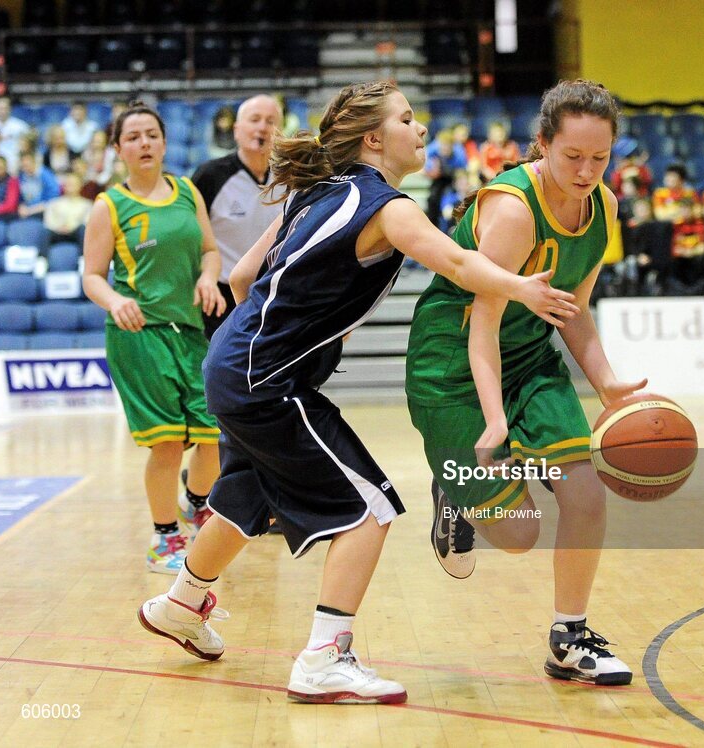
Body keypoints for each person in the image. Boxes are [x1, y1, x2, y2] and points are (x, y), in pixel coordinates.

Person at [136, 81, 578, 704]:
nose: (421, 128)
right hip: (266, 379)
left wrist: (263, 341)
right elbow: (458, 265)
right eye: (408, 119)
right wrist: (522, 288)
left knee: (247, 496)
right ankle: (324, 659)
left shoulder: (312, 193)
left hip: (234, 364)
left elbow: (241, 278)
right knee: (370, 510)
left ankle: (182, 602)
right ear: (375, 138)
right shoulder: (388, 207)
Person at [405, 79, 643, 686]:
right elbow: (482, 324)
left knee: (586, 491)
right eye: (573, 157)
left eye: (600, 157)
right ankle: (453, 488)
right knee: (518, 534)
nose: (587, 170)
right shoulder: (513, 210)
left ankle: (570, 637)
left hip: (530, 357)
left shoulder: (605, 209)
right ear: (542, 145)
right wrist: (495, 421)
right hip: (456, 365)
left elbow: (574, 312)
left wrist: (609, 387)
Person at [82, 102, 226, 575]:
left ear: (164, 143)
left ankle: (197, 501)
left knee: (214, 435)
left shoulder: (186, 192)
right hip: (138, 334)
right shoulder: (110, 206)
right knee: (166, 444)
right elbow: (92, 276)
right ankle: (164, 538)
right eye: (134, 137)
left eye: (151, 135)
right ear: (120, 148)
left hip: (188, 332)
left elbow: (209, 250)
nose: (144, 143)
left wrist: (208, 278)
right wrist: (113, 301)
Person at [191, 94, 282, 338]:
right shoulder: (209, 176)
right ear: (237, 130)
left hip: (276, 296)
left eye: (271, 121)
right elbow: (189, 234)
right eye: (255, 119)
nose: (262, 127)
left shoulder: (294, 177)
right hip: (221, 298)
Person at [43, 172, 91, 245]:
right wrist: (59, 228)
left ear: (80, 185)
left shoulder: (87, 204)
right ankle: (44, 256)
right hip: (57, 233)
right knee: (45, 232)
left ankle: (84, 255)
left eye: (73, 184)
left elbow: (86, 222)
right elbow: (48, 222)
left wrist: (71, 227)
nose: (70, 186)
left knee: (83, 230)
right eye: (68, 184)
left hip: (75, 233)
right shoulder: (53, 203)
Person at [17, 151, 62, 221]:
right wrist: (21, 206)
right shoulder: (22, 176)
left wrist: (30, 211)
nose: (24, 164)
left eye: (27, 161)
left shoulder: (46, 175)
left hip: (44, 213)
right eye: (22, 162)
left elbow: (52, 200)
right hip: (27, 212)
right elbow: (20, 197)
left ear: (34, 161)